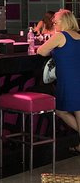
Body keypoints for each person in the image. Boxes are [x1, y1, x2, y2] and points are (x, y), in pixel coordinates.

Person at [38, 9, 80, 153]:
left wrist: (53, 48)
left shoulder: (61, 36)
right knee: (77, 111)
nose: (54, 24)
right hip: (76, 78)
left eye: (56, 22)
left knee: (61, 111)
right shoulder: (78, 36)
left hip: (68, 80)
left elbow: (41, 51)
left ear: (65, 22)